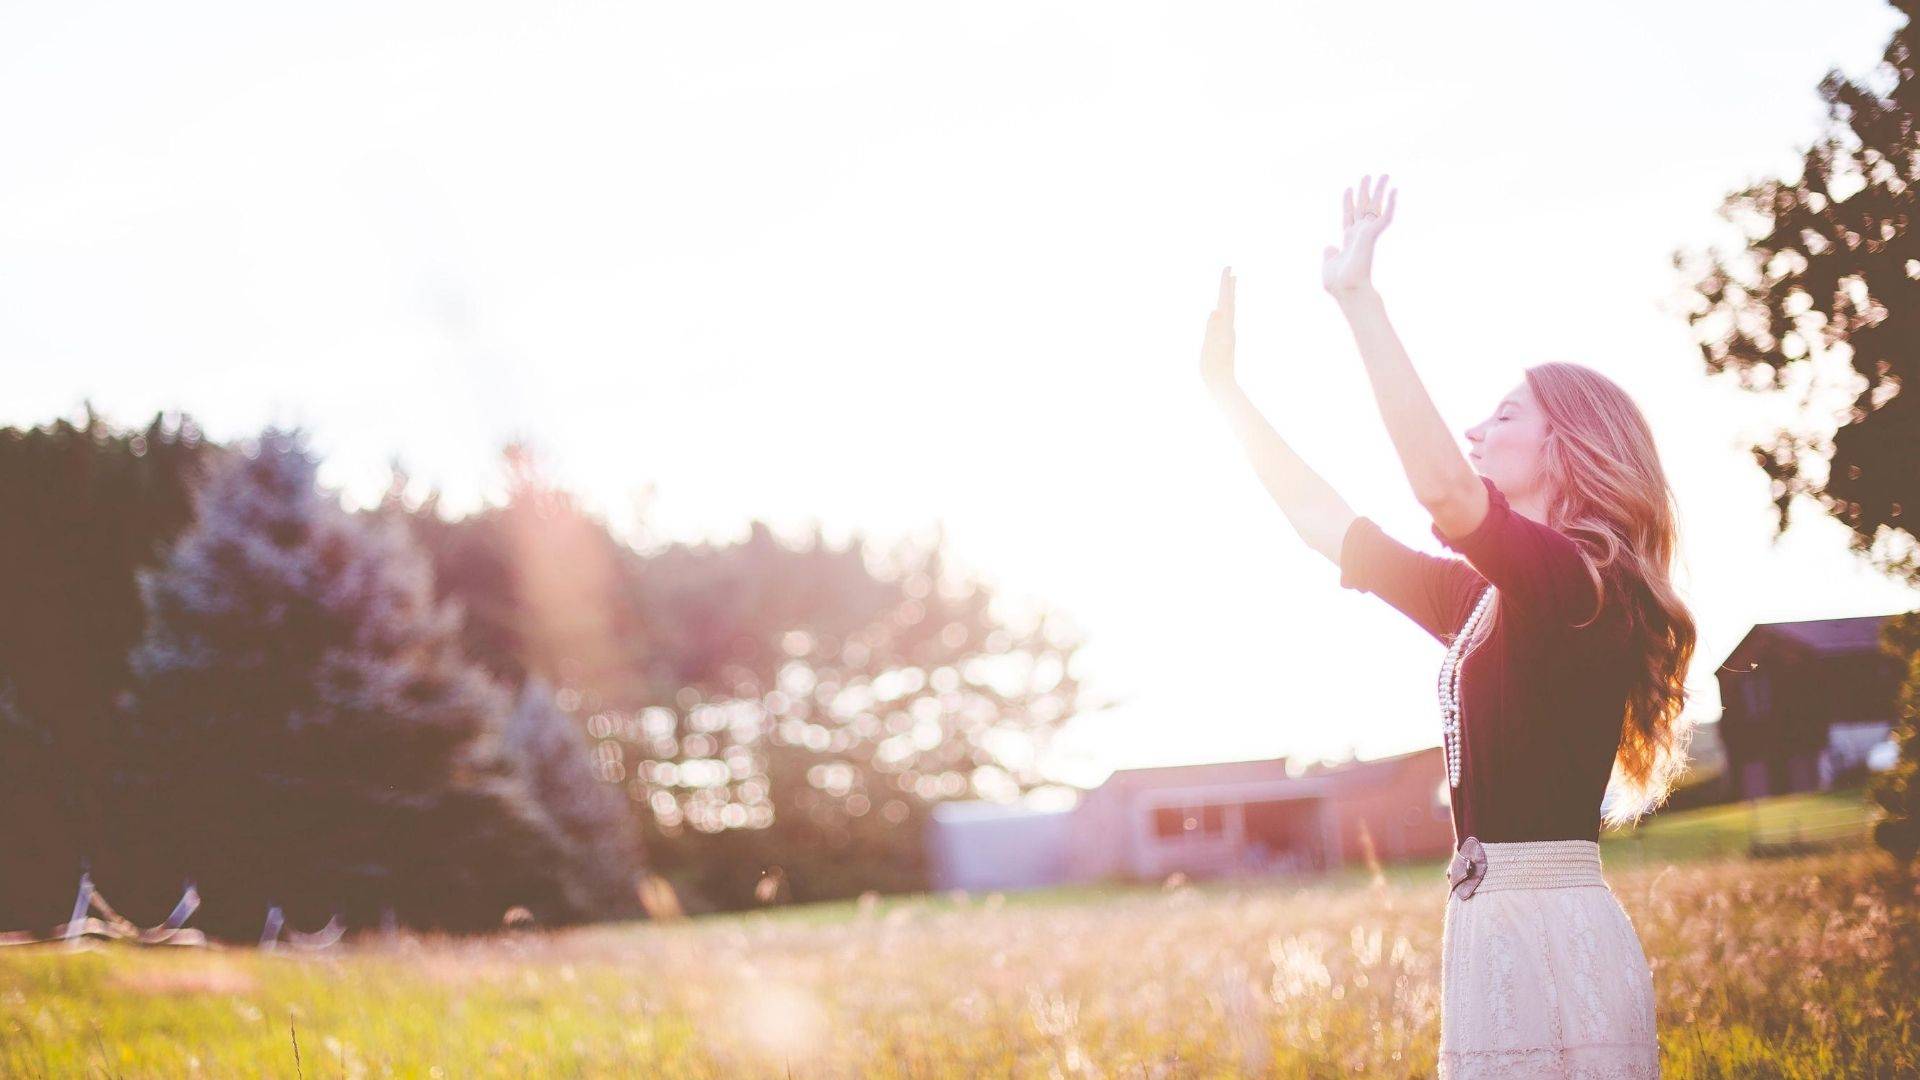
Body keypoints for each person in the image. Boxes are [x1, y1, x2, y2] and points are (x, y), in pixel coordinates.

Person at [1198, 174, 1697, 1078]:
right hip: (1488, 930)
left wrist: (1359, 303)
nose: (1476, 430)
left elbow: (1442, 491)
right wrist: (1228, 397)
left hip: (1552, 934)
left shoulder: (1582, 584)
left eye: (1506, 415)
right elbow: (1330, 527)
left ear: (1568, 446)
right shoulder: (1490, 600)